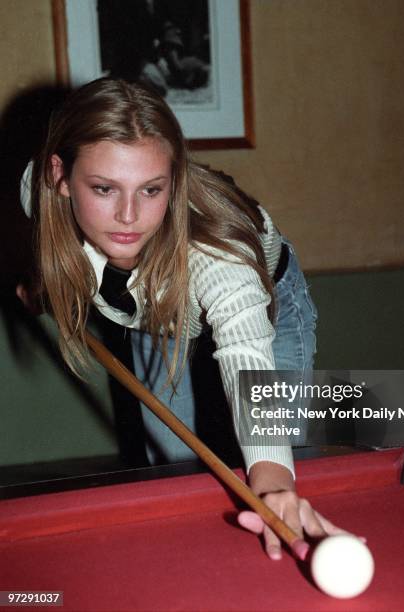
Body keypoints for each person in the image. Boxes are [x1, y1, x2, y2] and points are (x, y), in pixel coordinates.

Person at [17, 77, 345, 560]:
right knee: (175, 459)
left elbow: (245, 354)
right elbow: (55, 250)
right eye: (104, 188)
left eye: (152, 189)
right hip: (159, 316)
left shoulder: (218, 258)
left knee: (279, 457)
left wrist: (273, 482)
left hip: (269, 307)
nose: (128, 216)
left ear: (174, 179)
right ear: (59, 177)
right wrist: (44, 284)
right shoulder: (38, 194)